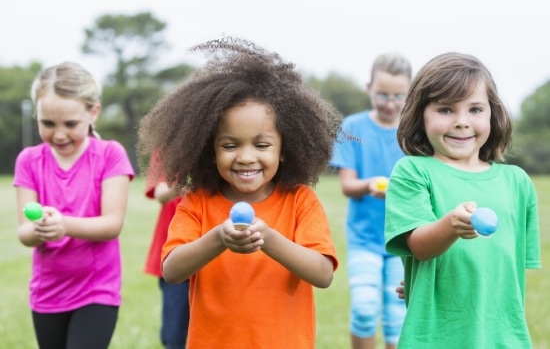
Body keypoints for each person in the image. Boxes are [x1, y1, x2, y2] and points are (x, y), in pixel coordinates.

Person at [137, 36, 342, 349]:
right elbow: (172, 270)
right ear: (210, 151)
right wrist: (218, 238)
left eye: (261, 145)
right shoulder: (197, 202)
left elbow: (323, 273)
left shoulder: (301, 201)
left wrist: (269, 239)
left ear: (285, 149)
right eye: (230, 145)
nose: (246, 157)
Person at [384, 52, 541, 348]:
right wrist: (450, 227)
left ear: (493, 114)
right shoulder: (413, 171)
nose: (461, 122)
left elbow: (506, 270)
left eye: (475, 109)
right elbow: (419, 246)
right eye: (445, 110)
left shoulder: (517, 182)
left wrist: (428, 283)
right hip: (434, 338)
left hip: (504, 338)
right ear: (421, 115)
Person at [13, 61, 135, 349]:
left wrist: (64, 225)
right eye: (47, 123)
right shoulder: (28, 160)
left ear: (93, 112)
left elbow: (111, 225)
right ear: (37, 115)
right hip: (47, 293)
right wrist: (42, 228)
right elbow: (24, 233)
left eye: (70, 124)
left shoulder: (110, 155)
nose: (58, 134)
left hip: (97, 290)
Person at [330, 52, 412, 349]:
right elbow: (348, 185)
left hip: (403, 239)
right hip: (364, 238)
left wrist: (397, 190)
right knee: (364, 309)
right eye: (382, 94)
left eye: (398, 96)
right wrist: (372, 185)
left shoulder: (414, 132)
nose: (390, 103)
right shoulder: (353, 127)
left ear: (410, 93)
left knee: (397, 316)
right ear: (369, 89)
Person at [144, 154, 190, 349]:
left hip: (221, 253)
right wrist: (194, 180)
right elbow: (161, 193)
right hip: (174, 252)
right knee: (175, 335)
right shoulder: (168, 145)